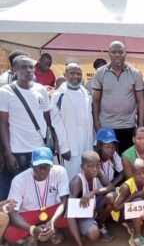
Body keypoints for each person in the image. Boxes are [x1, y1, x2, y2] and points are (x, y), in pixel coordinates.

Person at [0, 55, 52, 201]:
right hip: (17, 151)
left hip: (39, 150)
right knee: (11, 189)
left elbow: (47, 118)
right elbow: (2, 123)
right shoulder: (5, 92)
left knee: (35, 190)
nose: (29, 70)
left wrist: (53, 139)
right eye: (23, 67)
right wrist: (7, 152)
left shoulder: (41, 90)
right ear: (14, 70)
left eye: (31, 67)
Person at [4, 147, 69, 246]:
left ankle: (49, 229)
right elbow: (12, 213)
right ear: (31, 165)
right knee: (10, 234)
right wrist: (32, 229)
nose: (43, 170)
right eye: (39, 166)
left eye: (46, 166)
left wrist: (53, 221)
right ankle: (35, 233)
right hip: (29, 213)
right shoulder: (19, 180)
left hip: (52, 211)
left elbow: (64, 201)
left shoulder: (60, 172)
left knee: (72, 217)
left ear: (52, 165)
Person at [91, 41, 144, 154]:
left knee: (127, 161)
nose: (117, 55)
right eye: (114, 52)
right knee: (107, 162)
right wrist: (96, 125)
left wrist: (140, 126)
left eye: (120, 52)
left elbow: (140, 101)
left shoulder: (135, 74)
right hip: (106, 126)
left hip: (128, 126)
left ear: (126, 53)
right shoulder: (100, 73)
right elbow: (95, 100)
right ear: (108, 53)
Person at [50, 63, 94, 181]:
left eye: (79, 74)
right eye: (72, 73)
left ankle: (85, 198)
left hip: (86, 141)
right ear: (65, 75)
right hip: (70, 144)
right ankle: (72, 199)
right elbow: (56, 123)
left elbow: (90, 119)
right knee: (72, 178)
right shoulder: (59, 95)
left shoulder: (86, 93)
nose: (75, 76)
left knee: (87, 175)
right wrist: (63, 147)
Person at [67, 150, 115, 245]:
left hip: (93, 207)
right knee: (94, 234)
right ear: (82, 167)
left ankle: (100, 224)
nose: (95, 169)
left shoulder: (97, 172)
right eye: (90, 166)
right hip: (82, 213)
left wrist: (93, 192)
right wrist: (79, 243)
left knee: (112, 197)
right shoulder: (77, 181)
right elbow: (69, 213)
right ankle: (84, 230)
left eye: (98, 165)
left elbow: (111, 187)